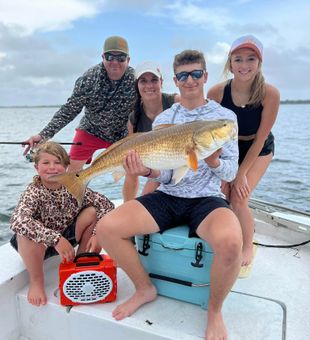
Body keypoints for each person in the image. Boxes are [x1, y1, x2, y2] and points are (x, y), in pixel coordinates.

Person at [96, 50, 242, 340]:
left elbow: (230, 174)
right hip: (169, 195)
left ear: (205, 76)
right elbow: (164, 172)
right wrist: (145, 172)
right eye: (184, 75)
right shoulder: (165, 118)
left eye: (196, 74)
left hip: (207, 200)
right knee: (107, 228)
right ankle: (144, 288)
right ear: (175, 80)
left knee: (231, 243)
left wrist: (212, 160)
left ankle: (214, 311)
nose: (190, 81)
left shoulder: (224, 119)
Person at [10, 141, 114, 307]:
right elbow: (18, 220)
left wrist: (96, 233)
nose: (52, 167)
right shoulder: (33, 191)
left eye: (57, 162)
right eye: (46, 162)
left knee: (93, 212)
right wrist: (55, 239)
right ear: (37, 168)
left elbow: (106, 205)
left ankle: (81, 262)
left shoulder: (74, 187)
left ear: (66, 167)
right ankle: (36, 281)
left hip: (68, 237)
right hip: (39, 246)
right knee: (24, 231)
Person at [207, 35, 280, 266]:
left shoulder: (270, 94)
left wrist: (239, 175)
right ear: (230, 63)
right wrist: (221, 169)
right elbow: (213, 136)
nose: (244, 65)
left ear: (259, 63)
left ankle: (248, 246)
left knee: (239, 197)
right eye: (238, 59)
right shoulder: (217, 93)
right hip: (229, 147)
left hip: (258, 148)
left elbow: (260, 138)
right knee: (221, 194)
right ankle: (229, 238)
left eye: (251, 59)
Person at [23, 36, 136, 172]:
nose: (115, 62)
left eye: (121, 58)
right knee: (72, 173)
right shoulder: (89, 78)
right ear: (103, 57)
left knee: (133, 169)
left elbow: (151, 102)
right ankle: (71, 192)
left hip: (122, 134)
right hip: (91, 130)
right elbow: (69, 110)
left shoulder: (136, 79)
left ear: (128, 60)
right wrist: (43, 135)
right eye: (110, 57)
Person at [122, 61, 180, 201]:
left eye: (154, 80)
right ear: (137, 86)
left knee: (150, 190)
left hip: (179, 160)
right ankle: (127, 207)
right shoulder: (134, 118)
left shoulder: (176, 102)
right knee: (132, 171)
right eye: (143, 81)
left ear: (161, 82)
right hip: (157, 167)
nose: (149, 86)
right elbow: (132, 170)